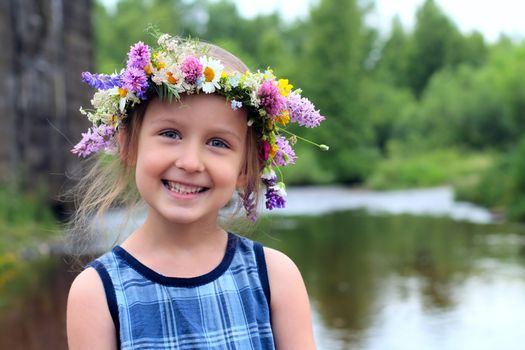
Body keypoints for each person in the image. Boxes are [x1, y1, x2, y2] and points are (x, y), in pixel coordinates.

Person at [66, 33, 327, 350]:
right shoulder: (97, 294)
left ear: (245, 168)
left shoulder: (275, 278)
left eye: (218, 143)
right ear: (129, 146)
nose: (190, 163)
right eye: (170, 133)